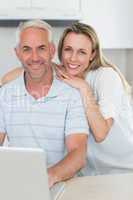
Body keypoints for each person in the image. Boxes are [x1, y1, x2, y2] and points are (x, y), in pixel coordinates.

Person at [2, 22, 133, 175]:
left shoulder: (105, 76)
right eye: (68, 50)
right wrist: (38, 64)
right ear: (59, 51)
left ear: (92, 54)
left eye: (82, 52)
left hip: (124, 169)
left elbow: (100, 133)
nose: (73, 58)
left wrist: (83, 88)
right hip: (92, 172)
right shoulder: (66, 73)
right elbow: (8, 78)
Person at [0, 20, 89, 187]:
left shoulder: (71, 94)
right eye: (26, 49)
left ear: (52, 50)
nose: (34, 57)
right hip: (15, 184)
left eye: (41, 48)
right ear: (17, 53)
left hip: (59, 185)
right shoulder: (5, 94)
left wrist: (48, 177)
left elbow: (78, 153)